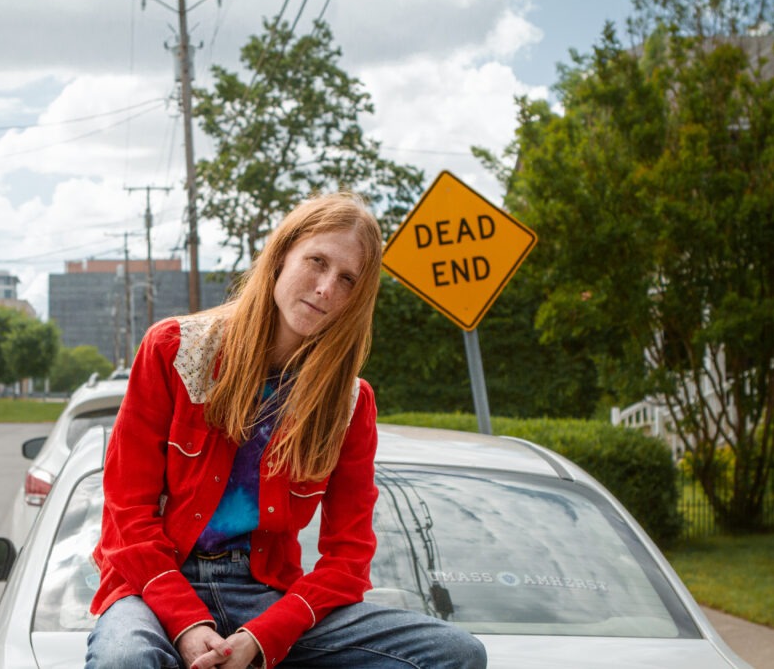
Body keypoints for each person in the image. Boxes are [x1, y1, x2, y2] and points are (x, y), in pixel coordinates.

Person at [86, 193, 487, 669]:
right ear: (280, 257)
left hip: (267, 596)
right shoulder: (174, 350)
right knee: (123, 659)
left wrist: (264, 637)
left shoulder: (349, 403)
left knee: (456, 653)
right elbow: (127, 512)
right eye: (317, 262)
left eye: (347, 280)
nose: (326, 289)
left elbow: (349, 558)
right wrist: (187, 623)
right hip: (153, 587)